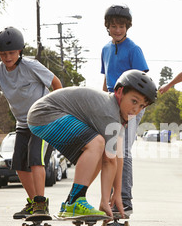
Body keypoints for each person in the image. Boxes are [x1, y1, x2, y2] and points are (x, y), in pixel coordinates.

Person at [27, 70, 157, 218]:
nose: (136, 110)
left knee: (100, 149)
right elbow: (110, 161)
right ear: (120, 92)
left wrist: (117, 194)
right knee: (97, 143)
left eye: (142, 106)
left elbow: (118, 155)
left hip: (46, 116)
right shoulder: (109, 112)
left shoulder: (119, 116)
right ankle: (75, 202)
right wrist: (104, 200)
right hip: (44, 114)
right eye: (134, 101)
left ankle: (71, 201)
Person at [0, 27, 62, 219]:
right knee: (18, 163)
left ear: (19, 51)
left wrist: (59, 109)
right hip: (23, 123)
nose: (7, 57)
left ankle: (41, 204)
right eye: (2, 54)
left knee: (35, 159)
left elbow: (56, 83)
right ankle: (34, 203)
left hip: (43, 121)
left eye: (11, 53)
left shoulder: (31, 66)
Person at [101, 4, 149, 216]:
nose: (117, 29)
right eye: (113, 26)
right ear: (108, 27)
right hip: (112, 103)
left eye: (121, 26)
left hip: (132, 104)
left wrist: (136, 109)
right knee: (110, 151)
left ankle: (125, 201)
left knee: (123, 151)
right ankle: (111, 199)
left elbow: (142, 81)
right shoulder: (105, 49)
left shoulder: (134, 49)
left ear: (127, 27)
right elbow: (107, 79)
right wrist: (103, 101)